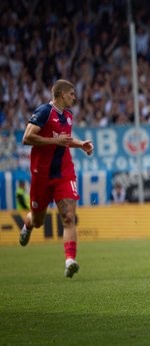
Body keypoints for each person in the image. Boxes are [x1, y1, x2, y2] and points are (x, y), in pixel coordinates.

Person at [19, 79, 94, 278]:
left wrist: (80, 144)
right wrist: (55, 140)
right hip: (41, 174)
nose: (74, 97)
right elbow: (26, 138)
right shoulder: (44, 112)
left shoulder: (68, 115)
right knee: (38, 221)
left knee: (68, 217)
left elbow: (64, 141)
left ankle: (70, 260)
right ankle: (27, 224)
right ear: (61, 94)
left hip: (64, 173)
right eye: (72, 94)